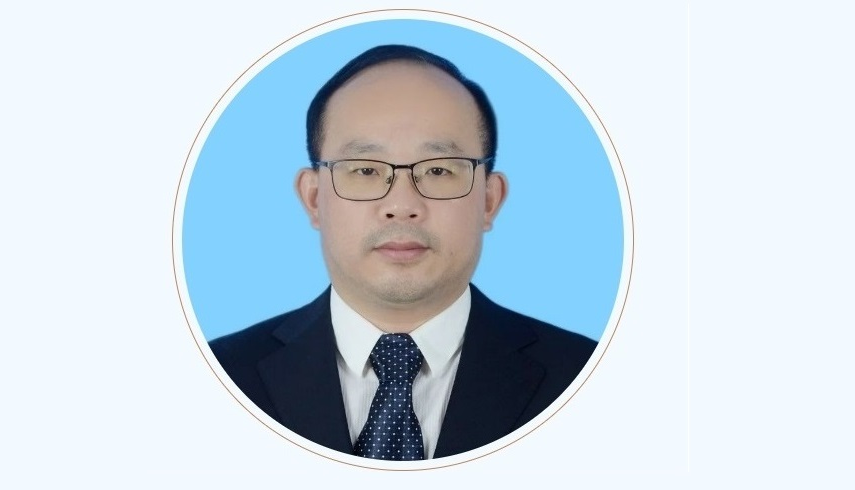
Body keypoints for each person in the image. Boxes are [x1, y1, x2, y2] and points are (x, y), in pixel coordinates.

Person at [209, 45, 596, 461]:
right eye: (365, 170)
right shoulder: (216, 377)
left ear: (489, 200)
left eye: (438, 169)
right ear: (314, 198)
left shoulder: (588, 377)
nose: (401, 204)